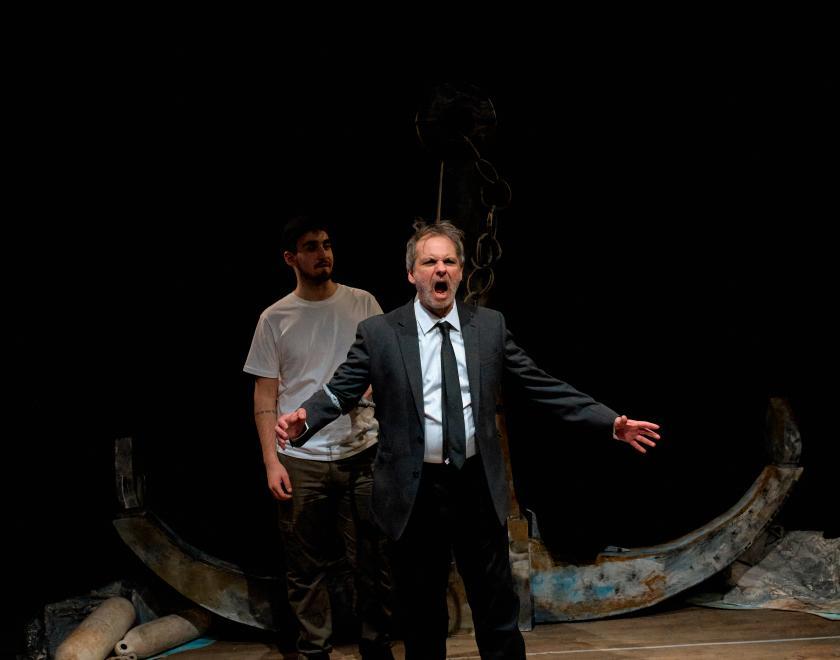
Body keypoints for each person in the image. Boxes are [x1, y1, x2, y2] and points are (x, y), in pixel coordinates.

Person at [275, 221, 661, 660]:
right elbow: (342, 388)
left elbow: (538, 383)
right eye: (430, 262)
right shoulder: (381, 333)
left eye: (449, 261)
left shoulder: (488, 327)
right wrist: (305, 418)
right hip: (415, 493)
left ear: (460, 272)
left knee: (497, 611)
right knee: (423, 618)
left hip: (476, 486)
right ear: (412, 273)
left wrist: (609, 422)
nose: (440, 270)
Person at [243, 216, 393, 660]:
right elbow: (265, 394)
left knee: (373, 561)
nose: (322, 253)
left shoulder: (363, 303)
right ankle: (315, 651)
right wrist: (272, 461)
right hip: (302, 457)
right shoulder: (275, 318)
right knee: (305, 567)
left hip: (362, 450)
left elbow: (387, 368)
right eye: (311, 247)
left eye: (327, 244)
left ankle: (377, 646)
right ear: (291, 258)